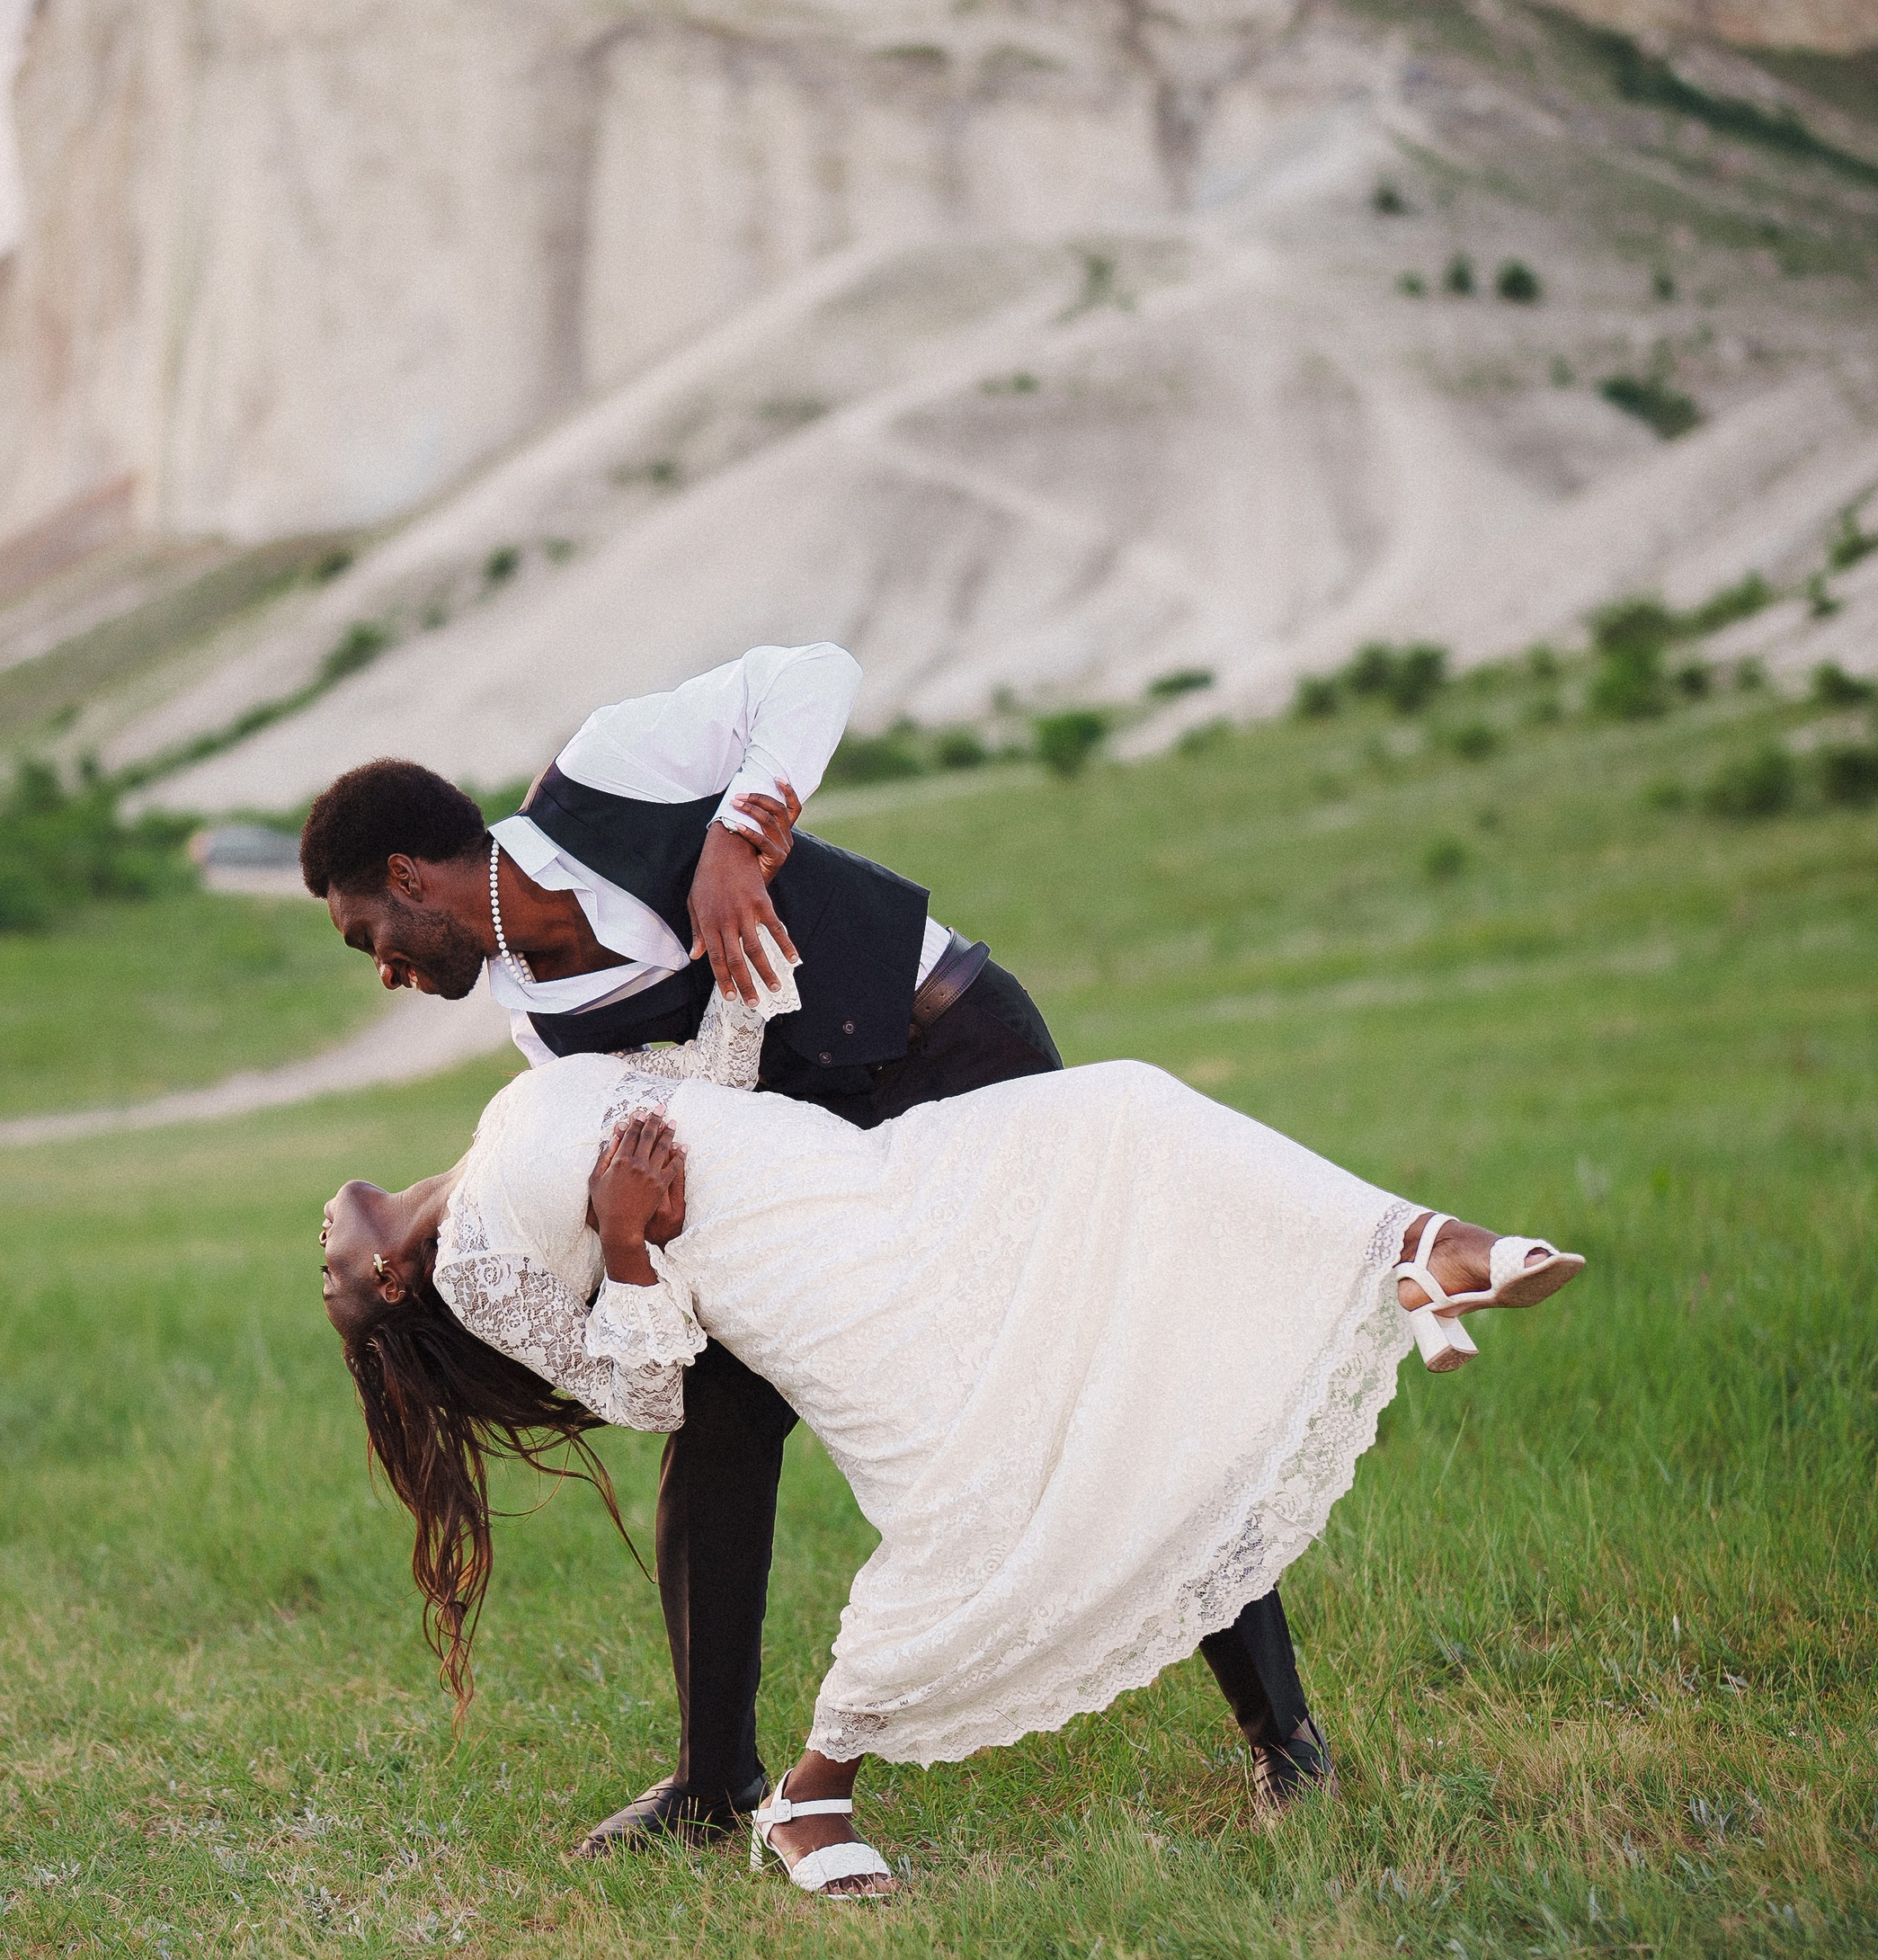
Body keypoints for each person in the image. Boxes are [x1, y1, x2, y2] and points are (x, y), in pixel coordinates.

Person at [300, 646, 1346, 1848]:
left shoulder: (603, 775)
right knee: (716, 1421)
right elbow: (680, 1095)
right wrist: (637, 1224)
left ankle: (1284, 1738)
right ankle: (711, 1785)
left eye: (369, 935)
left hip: (951, 1052)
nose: (385, 968)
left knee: (1086, 1375)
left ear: (408, 874)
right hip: (812, 1165)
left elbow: (814, 672)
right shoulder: (536, 1018)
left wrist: (738, 834)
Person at [320, 955, 1583, 1895]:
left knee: (1128, 1109)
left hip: (877, 1170)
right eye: (322, 1273)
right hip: (804, 1272)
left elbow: (707, 1078)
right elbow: (648, 1393)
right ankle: (811, 1796)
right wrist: (629, 1245)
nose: (318, 1241)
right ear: (385, 1286)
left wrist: (747, 958)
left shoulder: (515, 1099)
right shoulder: (473, 1272)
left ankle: (1418, 1248)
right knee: (968, 1493)